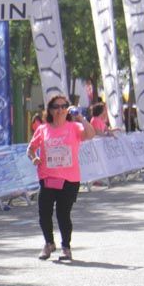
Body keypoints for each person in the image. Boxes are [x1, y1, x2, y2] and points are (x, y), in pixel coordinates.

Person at [27, 94, 96, 262]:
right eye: (56, 107)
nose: (60, 110)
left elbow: (90, 134)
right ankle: (48, 243)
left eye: (64, 106)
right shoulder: (43, 129)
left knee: (63, 214)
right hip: (48, 176)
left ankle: (66, 247)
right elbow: (31, 149)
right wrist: (34, 158)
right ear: (50, 110)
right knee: (44, 213)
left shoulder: (74, 127)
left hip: (69, 179)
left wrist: (82, 118)